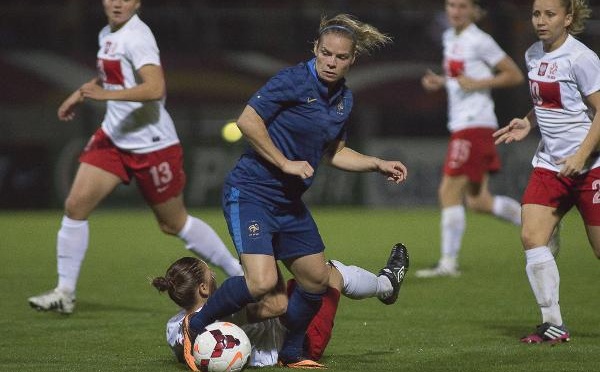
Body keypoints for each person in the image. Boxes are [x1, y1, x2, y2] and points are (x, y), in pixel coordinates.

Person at [182, 14, 408, 369]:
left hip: (288, 203)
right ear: (315, 50)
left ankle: (292, 352)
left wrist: (377, 163)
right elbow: (247, 121)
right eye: (326, 53)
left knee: (317, 279)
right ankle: (193, 327)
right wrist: (285, 162)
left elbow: (333, 152)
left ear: (353, 60)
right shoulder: (292, 80)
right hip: (251, 192)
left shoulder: (343, 100)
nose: (332, 62)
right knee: (261, 283)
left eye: (341, 57)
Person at [28, 0, 243, 315]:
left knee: (173, 223)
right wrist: (81, 93)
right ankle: (65, 292)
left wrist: (105, 96)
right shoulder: (107, 33)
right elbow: (112, 76)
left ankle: (237, 273)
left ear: (138, 2)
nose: (117, 3)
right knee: (75, 207)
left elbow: (155, 88)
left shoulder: (138, 36)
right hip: (114, 138)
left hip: (152, 145)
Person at [493, 0, 598, 343]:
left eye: (550, 14)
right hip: (549, 166)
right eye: (537, 13)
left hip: (590, 168)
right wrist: (526, 121)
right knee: (532, 237)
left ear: (568, 18)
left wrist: (582, 155)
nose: (541, 20)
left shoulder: (581, 58)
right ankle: (553, 324)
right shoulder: (533, 54)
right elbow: (549, 103)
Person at [153, 244, 408, 368]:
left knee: (298, 282)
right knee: (330, 273)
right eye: (210, 274)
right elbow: (277, 307)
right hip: (299, 340)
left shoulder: (174, 326)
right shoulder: (229, 307)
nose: (214, 276)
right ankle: (387, 283)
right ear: (203, 289)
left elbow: (185, 350)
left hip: (272, 337)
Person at [416, 0, 525, 278]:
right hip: (463, 124)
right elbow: (459, 76)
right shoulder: (450, 36)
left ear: (475, 10)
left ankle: (448, 264)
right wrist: (441, 81)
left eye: (463, 6)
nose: (455, 11)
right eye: (451, 5)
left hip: (474, 124)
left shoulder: (481, 40)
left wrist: (478, 83)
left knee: (448, 191)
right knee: (479, 202)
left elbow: (513, 75)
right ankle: (535, 221)